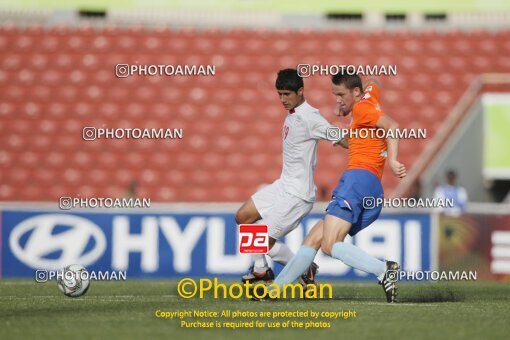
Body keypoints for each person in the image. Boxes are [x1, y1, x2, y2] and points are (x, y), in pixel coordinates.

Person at [268, 73, 406, 303]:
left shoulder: (363, 109)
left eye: (341, 95)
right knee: (314, 238)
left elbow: (392, 126)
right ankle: (273, 291)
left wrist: (392, 160)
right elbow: (375, 82)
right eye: (335, 95)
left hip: (357, 180)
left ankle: (383, 269)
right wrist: (349, 104)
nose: (338, 100)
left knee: (330, 244)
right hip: (371, 186)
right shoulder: (368, 100)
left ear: (356, 92)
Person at [235, 68, 343, 286]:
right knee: (243, 217)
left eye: (287, 94)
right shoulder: (292, 114)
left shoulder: (310, 118)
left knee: (261, 241)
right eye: (280, 94)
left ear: (301, 91)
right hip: (283, 186)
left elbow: (340, 138)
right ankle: (262, 269)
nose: (283, 99)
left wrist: (370, 147)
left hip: (298, 195)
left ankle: (300, 268)